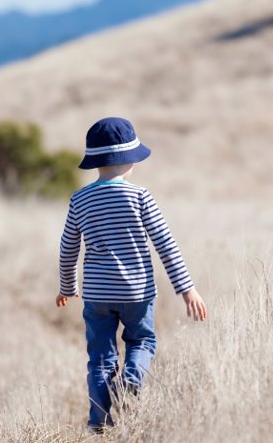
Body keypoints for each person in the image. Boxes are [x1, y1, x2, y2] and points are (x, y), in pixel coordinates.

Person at [55, 117, 207, 433]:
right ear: (130, 160)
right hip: (137, 292)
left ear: (95, 161)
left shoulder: (80, 200)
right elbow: (166, 245)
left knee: (100, 359)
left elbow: (68, 248)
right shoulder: (140, 197)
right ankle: (131, 380)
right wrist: (187, 289)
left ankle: (98, 423)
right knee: (141, 341)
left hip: (96, 295)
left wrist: (67, 286)